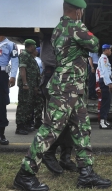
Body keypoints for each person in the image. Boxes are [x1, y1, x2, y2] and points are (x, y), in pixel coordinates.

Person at [13, 0, 111, 191]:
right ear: (78, 11)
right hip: (66, 88)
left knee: (82, 129)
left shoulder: (59, 29)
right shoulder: (74, 27)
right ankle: (25, 174)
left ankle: (86, 174)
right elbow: (94, 43)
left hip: (74, 89)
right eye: (81, 12)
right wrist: (83, 29)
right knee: (49, 130)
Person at [38, 34, 78, 176]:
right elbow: (47, 58)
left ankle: (66, 157)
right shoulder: (49, 35)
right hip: (54, 79)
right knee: (57, 119)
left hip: (68, 80)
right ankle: (48, 152)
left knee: (70, 119)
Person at [15, 40, 41, 135]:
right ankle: (20, 126)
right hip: (26, 85)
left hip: (30, 85)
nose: (34, 48)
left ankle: (25, 125)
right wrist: (25, 83)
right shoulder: (24, 55)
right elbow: (22, 69)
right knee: (23, 105)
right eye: (33, 47)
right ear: (30, 47)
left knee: (28, 106)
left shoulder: (30, 56)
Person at [97, 44, 112, 129]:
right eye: (109, 50)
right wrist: (109, 83)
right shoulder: (104, 58)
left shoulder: (105, 58)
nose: (110, 51)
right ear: (105, 50)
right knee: (105, 102)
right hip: (104, 81)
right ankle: (102, 121)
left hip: (105, 81)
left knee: (107, 102)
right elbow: (105, 72)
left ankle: (105, 120)